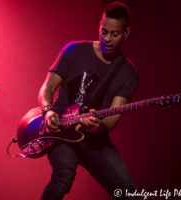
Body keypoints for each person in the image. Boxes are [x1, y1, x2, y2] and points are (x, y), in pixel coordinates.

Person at [38, 1, 139, 199]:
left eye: (115, 34)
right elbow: (47, 88)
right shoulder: (74, 50)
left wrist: (98, 127)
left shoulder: (129, 74)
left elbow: (112, 118)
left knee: (129, 192)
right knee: (63, 177)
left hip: (95, 139)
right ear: (99, 26)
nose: (107, 38)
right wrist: (48, 111)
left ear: (126, 33)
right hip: (61, 132)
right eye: (104, 31)